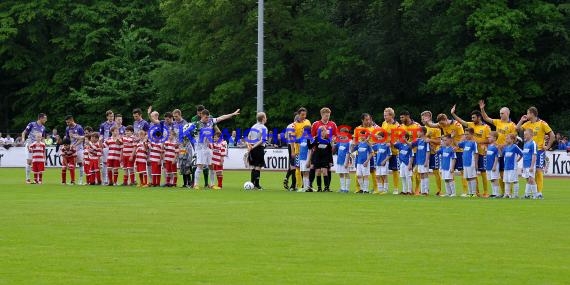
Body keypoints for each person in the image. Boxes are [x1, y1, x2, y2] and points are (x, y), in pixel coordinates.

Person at [186, 108, 240, 189]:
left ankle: (212, 185)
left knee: (211, 166)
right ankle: (196, 184)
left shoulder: (211, 121)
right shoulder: (196, 124)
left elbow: (222, 117)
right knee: (200, 166)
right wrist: (193, 140)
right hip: (200, 148)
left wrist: (232, 114)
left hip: (208, 147)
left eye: (208, 117)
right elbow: (186, 131)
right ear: (201, 116)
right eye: (206, 117)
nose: (207, 119)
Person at [451, 105, 491, 197]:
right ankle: (475, 192)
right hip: (471, 154)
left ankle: (486, 192)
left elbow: (489, 140)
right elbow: (461, 121)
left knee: (483, 172)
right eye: (471, 117)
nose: (472, 119)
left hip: (481, 152)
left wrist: (477, 142)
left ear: (479, 117)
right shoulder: (470, 125)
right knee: (473, 175)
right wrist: (453, 113)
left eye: (474, 117)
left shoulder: (486, 127)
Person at [479, 100, 517, 195]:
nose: (500, 115)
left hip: (506, 151)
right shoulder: (497, 122)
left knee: (505, 172)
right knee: (500, 173)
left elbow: (513, 139)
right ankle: (503, 192)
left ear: (507, 113)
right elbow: (486, 118)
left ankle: (509, 193)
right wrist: (482, 109)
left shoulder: (512, 125)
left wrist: (503, 145)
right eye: (500, 113)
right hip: (498, 151)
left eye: (502, 113)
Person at [516, 106, 555, 198]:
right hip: (528, 152)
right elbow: (517, 129)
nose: (526, 114)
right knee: (528, 173)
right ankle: (529, 194)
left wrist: (547, 146)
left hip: (539, 151)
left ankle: (539, 193)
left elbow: (552, 135)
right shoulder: (527, 124)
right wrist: (522, 120)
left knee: (538, 171)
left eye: (528, 113)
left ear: (532, 114)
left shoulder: (542, 123)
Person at [425, 113, 467, 194]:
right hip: (449, 150)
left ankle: (465, 191)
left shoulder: (457, 125)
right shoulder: (442, 124)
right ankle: (451, 192)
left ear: (446, 119)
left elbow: (463, 137)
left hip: (458, 150)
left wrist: (458, 146)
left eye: (442, 123)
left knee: (462, 171)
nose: (441, 125)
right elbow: (432, 125)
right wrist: (427, 122)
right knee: (450, 172)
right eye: (440, 124)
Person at [311, 107, 338, 192]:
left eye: (329, 115)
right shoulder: (316, 124)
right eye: (326, 115)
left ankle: (327, 187)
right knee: (317, 169)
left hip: (328, 150)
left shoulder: (332, 124)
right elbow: (312, 136)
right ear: (322, 115)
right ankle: (317, 187)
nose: (327, 117)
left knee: (328, 168)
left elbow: (335, 135)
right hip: (318, 150)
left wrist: (333, 139)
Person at [353, 113, 380, 193]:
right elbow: (355, 141)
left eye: (369, 119)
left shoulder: (374, 128)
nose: (368, 121)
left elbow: (380, 138)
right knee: (358, 172)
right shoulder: (357, 129)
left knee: (372, 170)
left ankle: (376, 188)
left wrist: (372, 136)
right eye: (366, 120)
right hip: (360, 153)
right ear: (362, 120)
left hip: (371, 152)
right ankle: (359, 188)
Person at [399, 110, 422, 194]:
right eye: (400, 117)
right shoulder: (400, 127)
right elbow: (399, 139)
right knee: (406, 173)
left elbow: (420, 138)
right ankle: (409, 190)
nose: (401, 119)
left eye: (402, 117)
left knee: (416, 172)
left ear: (407, 116)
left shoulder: (417, 126)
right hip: (405, 153)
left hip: (416, 152)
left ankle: (417, 189)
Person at [420, 111, 443, 196]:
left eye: (424, 117)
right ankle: (424, 190)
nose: (422, 119)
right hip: (424, 153)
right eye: (422, 118)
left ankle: (439, 190)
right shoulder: (422, 129)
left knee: (436, 171)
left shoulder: (436, 128)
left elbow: (439, 141)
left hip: (434, 152)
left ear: (429, 117)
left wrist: (430, 140)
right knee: (421, 172)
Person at [21, 113, 47, 183]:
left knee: (37, 162)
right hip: (30, 145)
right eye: (45, 118)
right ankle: (28, 178)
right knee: (29, 161)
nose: (46, 120)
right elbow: (24, 132)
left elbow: (43, 138)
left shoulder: (43, 128)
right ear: (41, 118)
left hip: (38, 147)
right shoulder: (31, 124)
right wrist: (23, 139)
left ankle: (37, 179)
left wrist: (44, 145)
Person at [381, 107, 401, 194]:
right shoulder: (383, 123)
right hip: (384, 151)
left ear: (391, 115)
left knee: (394, 170)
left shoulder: (397, 125)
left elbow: (399, 139)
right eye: (384, 115)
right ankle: (384, 188)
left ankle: (396, 188)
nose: (384, 117)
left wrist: (392, 143)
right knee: (382, 170)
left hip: (393, 151)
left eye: (386, 115)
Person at [308, 126, 334, 192]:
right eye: (322, 131)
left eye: (324, 131)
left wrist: (331, 161)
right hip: (317, 158)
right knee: (318, 172)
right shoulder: (316, 139)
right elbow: (310, 147)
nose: (323, 132)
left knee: (325, 172)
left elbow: (330, 151)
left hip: (325, 158)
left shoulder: (328, 140)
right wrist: (308, 139)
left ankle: (326, 188)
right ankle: (319, 188)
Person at [247, 112, 268, 190]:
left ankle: (252, 184)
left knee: (253, 166)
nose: (266, 118)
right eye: (265, 117)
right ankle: (257, 185)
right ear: (263, 118)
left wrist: (250, 146)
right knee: (258, 166)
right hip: (259, 148)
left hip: (252, 148)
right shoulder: (264, 128)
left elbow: (248, 136)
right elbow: (263, 140)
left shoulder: (253, 126)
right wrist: (254, 146)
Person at [292, 108, 311, 190]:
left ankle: (307, 186)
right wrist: (293, 150)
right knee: (298, 168)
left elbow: (311, 133)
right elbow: (292, 139)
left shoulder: (308, 122)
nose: (304, 116)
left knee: (307, 169)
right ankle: (298, 186)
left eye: (305, 115)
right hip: (298, 150)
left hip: (307, 151)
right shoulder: (294, 125)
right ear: (298, 115)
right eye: (302, 115)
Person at [457, 128, 479, 197]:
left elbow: (476, 153)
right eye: (465, 134)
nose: (466, 136)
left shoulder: (473, 143)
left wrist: (476, 164)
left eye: (467, 134)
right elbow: (458, 144)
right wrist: (462, 138)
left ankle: (474, 193)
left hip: (471, 162)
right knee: (468, 177)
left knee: (472, 177)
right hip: (465, 163)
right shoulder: (465, 142)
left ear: (472, 134)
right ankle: (470, 193)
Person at [64, 115, 86, 185]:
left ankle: (80, 179)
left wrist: (75, 144)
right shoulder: (67, 128)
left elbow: (82, 138)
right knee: (71, 164)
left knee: (80, 163)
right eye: (66, 123)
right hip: (71, 149)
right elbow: (67, 139)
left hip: (79, 148)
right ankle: (72, 180)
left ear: (72, 120)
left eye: (68, 122)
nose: (67, 124)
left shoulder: (79, 127)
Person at [502, 134, 523, 198]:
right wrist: (500, 148)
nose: (506, 139)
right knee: (506, 180)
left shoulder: (515, 147)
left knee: (514, 180)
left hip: (513, 167)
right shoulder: (506, 147)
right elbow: (502, 154)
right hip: (506, 167)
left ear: (512, 140)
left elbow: (522, 153)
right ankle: (507, 194)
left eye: (508, 138)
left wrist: (517, 160)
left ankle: (516, 194)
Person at [412, 127, 430, 195]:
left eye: (418, 131)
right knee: (421, 175)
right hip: (419, 161)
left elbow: (428, 151)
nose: (417, 133)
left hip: (424, 160)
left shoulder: (426, 141)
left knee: (425, 174)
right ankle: (422, 191)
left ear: (422, 132)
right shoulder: (418, 140)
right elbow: (411, 145)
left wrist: (426, 161)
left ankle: (426, 190)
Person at [99, 110, 116, 185]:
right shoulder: (103, 125)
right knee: (105, 163)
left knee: (113, 163)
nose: (111, 117)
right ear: (107, 117)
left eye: (112, 116)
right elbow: (101, 135)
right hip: (106, 145)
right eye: (110, 116)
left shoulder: (116, 124)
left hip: (114, 145)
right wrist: (101, 146)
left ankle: (113, 180)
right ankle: (105, 179)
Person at [335, 127, 352, 193]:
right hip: (339, 159)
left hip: (345, 160)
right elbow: (335, 147)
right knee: (340, 173)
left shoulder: (349, 142)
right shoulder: (340, 141)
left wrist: (346, 162)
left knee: (346, 173)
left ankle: (347, 189)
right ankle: (342, 188)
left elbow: (349, 152)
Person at [521, 129, 538, 199]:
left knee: (531, 179)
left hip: (530, 165)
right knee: (527, 179)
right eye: (524, 134)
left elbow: (534, 155)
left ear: (531, 135)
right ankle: (527, 194)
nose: (525, 136)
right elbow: (524, 155)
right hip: (525, 165)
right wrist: (522, 166)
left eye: (526, 134)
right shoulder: (525, 143)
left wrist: (532, 166)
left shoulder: (533, 143)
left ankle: (535, 195)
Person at [283, 116, 298, 190]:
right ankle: (293, 185)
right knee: (296, 165)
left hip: (289, 145)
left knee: (292, 164)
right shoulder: (297, 126)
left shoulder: (289, 126)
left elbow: (286, 137)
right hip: (296, 145)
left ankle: (287, 178)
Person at [296, 126, 312, 192]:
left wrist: (309, 160)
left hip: (306, 158)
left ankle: (307, 187)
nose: (302, 131)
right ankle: (305, 187)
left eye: (303, 130)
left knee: (306, 173)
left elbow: (310, 150)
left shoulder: (309, 139)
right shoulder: (302, 138)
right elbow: (294, 140)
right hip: (301, 158)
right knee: (303, 172)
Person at [485, 132, 501, 198]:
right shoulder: (489, 146)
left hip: (494, 165)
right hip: (488, 165)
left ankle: (497, 193)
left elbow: (497, 156)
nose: (488, 138)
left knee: (495, 179)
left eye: (490, 137)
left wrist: (494, 166)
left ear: (494, 138)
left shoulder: (496, 146)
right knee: (491, 179)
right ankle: (493, 193)